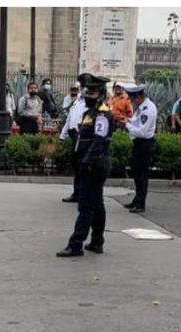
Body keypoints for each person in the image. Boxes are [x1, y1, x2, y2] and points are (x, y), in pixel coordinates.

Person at [57, 73, 114, 258]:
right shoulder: (90, 113)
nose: (88, 95)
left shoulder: (103, 114)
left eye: (93, 93)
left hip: (94, 165)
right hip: (90, 163)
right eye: (87, 92)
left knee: (85, 206)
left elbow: (99, 142)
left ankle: (76, 244)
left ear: (101, 94)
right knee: (96, 204)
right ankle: (97, 241)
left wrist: (86, 162)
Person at [121, 84, 157, 213]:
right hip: (139, 144)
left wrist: (127, 125)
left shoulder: (147, 109)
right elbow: (136, 120)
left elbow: (141, 131)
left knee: (141, 175)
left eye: (132, 98)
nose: (130, 101)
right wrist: (128, 120)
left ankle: (141, 203)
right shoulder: (141, 107)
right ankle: (137, 199)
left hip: (144, 144)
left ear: (138, 97)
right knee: (137, 174)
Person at [59, 86, 87, 203]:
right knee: (76, 167)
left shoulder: (89, 106)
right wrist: (62, 136)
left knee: (83, 168)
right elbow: (69, 120)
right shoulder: (75, 103)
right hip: (74, 137)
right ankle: (77, 193)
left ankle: (84, 194)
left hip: (83, 138)